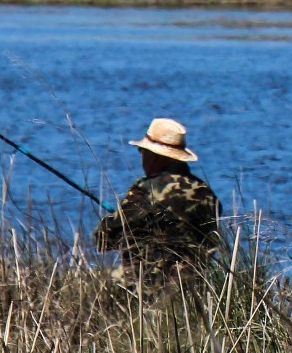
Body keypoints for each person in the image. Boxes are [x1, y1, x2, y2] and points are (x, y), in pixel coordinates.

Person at [92, 117, 221, 273]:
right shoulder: (207, 194)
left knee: (97, 283)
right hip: (198, 282)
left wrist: (117, 219)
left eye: (143, 152)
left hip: (151, 282)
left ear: (154, 156)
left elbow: (104, 239)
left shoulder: (148, 190)